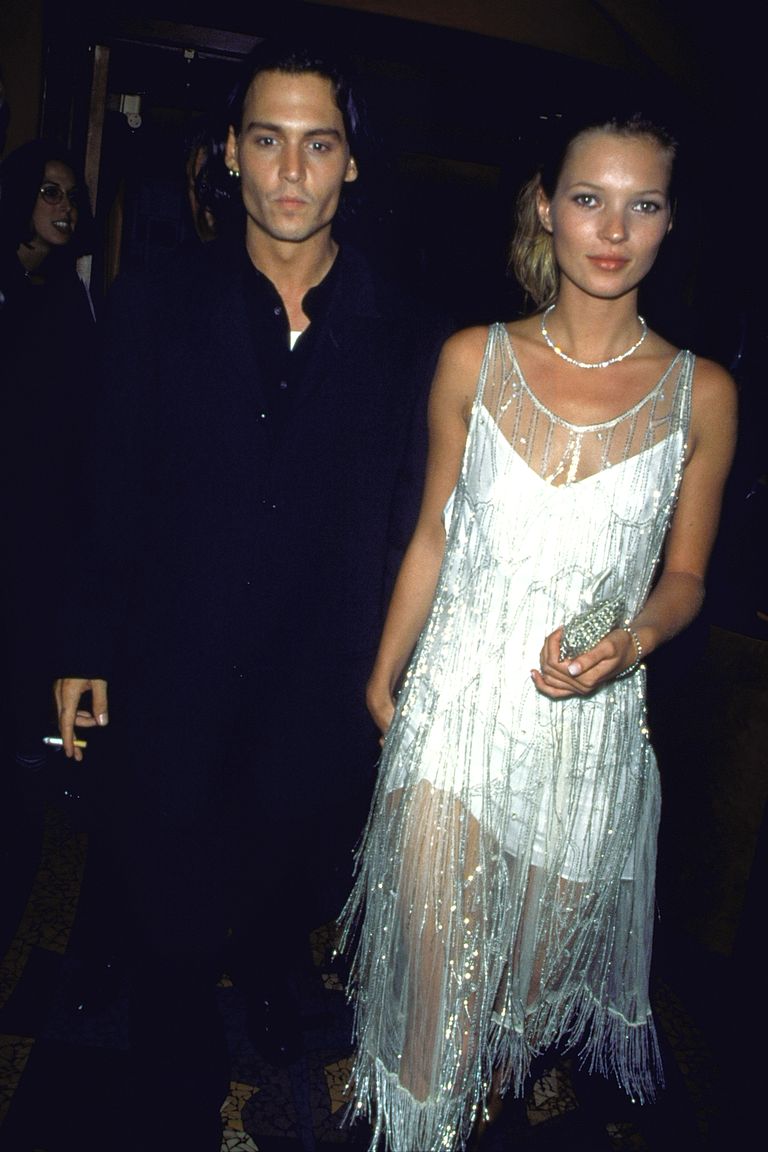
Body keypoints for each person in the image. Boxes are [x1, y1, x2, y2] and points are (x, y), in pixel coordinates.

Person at [53, 39, 448, 1152]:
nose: (290, 170)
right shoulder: (154, 300)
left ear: (351, 166)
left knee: (293, 856)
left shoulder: (407, 333)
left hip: (319, 671)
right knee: (165, 874)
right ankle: (176, 1068)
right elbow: (109, 482)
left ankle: (274, 974)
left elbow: (416, 517)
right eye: (266, 140)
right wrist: (85, 638)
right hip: (173, 651)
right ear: (230, 153)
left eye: (317, 144)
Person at [339, 114, 737, 1152]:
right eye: (589, 199)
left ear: (669, 224)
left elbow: (687, 577)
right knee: (440, 1013)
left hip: (589, 742)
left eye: (642, 203)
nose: (613, 229)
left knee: (512, 1029)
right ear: (546, 210)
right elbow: (430, 531)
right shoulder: (473, 359)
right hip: (458, 712)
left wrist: (636, 641)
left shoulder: (706, 395)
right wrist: (388, 675)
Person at [0, 140, 96, 781]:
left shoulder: (70, 295)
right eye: (49, 192)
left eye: (70, 196)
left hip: (44, 509)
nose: (63, 208)